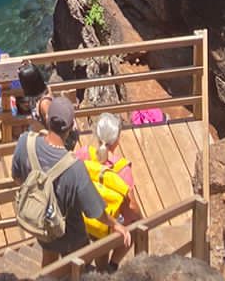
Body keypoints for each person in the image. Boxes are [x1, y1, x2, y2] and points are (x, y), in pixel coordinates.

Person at [12, 96, 130, 264]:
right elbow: (96, 212)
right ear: (70, 128)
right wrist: (116, 225)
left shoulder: (25, 142)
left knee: (49, 255)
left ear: (47, 119)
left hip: (39, 219)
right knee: (75, 267)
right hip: (68, 232)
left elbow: (17, 178)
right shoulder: (74, 167)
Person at [81, 113, 141, 241]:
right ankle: (112, 262)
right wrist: (142, 219)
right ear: (117, 139)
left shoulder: (83, 153)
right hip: (108, 225)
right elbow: (131, 206)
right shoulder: (122, 169)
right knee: (134, 226)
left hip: (83, 216)